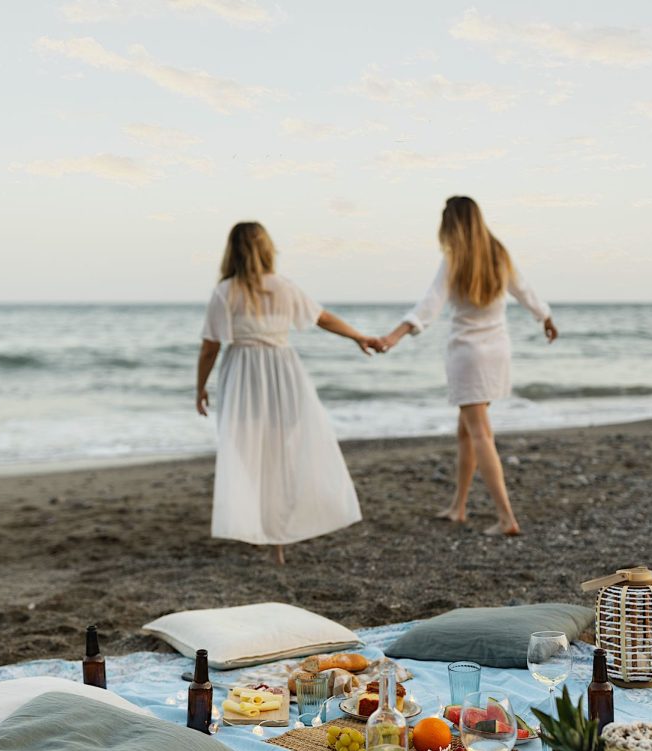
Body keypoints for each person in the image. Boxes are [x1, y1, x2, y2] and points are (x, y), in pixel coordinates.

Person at [196, 222, 380, 564]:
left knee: (248, 452)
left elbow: (210, 348)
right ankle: (278, 541)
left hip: (244, 375)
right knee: (282, 451)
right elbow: (323, 318)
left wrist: (200, 387)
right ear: (267, 249)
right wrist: (358, 337)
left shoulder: (226, 291)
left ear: (231, 251)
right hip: (284, 372)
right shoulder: (284, 287)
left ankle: (257, 528)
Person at [380, 196, 558, 536]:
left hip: (468, 354)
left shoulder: (455, 258)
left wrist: (395, 335)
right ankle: (458, 507)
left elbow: (429, 304)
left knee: (479, 433)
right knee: (467, 430)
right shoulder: (498, 254)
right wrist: (545, 317)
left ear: (451, 224)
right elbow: (525, 291)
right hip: (497, 352)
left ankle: (506, 517)